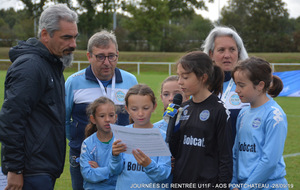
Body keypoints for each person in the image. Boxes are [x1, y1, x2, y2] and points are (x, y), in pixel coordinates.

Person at [0, 4, 78, 190]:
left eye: (75, 37)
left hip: (42, 169)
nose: (73, 44)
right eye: (66, 37)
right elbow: (12, 119)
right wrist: (15, 169)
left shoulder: (51, 64)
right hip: (30, 171)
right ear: (45, 35)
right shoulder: (31, 67)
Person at [65, 30, 138, 190]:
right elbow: (63, 119)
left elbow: (135, 118)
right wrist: (78, 140)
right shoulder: (74, 82)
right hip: (83, 155)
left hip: (122, 154)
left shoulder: (130, 80)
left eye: (111, 56)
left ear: (117, 54)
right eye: (100, 56)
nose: (107, 62)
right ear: (89, 56)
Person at [169, 51, 232, 189]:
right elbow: (175, 151)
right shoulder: (183, 108)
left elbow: (225, 157)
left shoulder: (219, 110)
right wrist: (172, 126)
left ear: (203, 77)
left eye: (185, 77)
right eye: (179, 76)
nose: (179, 82)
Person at [231, 57, 288, 189]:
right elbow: (235, 152)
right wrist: (233, 183)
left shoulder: (274, 116)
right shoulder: (243, 113)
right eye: (236, 84)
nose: (236, 90)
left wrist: (247, 188)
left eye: (241, 85)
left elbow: (269, 162)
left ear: (260, 86)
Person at [109, 84, 171, 190]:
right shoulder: (122, 134)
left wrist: (149, 165)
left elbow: (163, 174)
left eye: (146, 108)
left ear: (154, 107)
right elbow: (115, 170)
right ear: (127, 109)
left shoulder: (162, 136)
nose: (140, 113)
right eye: (134, 109)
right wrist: (115, 156)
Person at [202, 26, 249, 144]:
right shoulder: (200, 87)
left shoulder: (252, 86)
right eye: (221, 50)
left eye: (232, 49)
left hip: (242, 160)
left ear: (238, 52)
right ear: (211, 54)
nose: (227, 55)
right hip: (209, 160)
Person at [80, 97, 118, 189]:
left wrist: (99, 170)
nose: (107, 119)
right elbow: (88, 174)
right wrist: (111, 170)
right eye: (102, 116)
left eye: (111, 115)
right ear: (93, 119)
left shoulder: (120, 141)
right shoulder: (88, 144)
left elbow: (123, 172)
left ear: (115, 117)